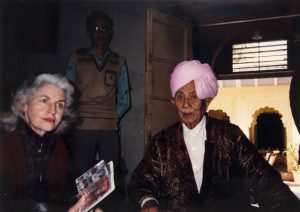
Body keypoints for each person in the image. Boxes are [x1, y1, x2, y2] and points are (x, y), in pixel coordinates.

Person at [128, 60, 300, 212]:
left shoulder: (231, 136)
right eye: (179, 97)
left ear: (207, 101)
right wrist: (147, 200)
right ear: (173, 102)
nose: (185, 104)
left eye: (193, 96)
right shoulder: (161, 142)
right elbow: (141, 181)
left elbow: (265, 181)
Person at [0, 73, 96, 211]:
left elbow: (67, 191)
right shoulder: (5, 144)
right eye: (44, 100)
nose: (53, 111)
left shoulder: (58, 145)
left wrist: (88, 205)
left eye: (60, 105)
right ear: (23, 104)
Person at [65, 10, 130, 180]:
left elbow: (125, 100)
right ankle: (83, 206)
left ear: (110, 33)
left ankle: (104, 206)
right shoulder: (77, 58)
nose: (100, 32)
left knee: (109, 173)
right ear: (88, 33)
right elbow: (66, 94)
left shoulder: (119, 61)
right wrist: (76, 118)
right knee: (82, 172)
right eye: (96, 28)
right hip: (82, 127)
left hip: (109, 128)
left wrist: (111, 117)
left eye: (104, 29)